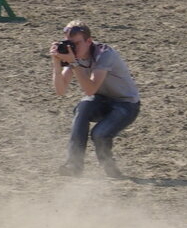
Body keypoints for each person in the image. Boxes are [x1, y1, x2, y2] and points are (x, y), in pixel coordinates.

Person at [50, 20, 140, 178]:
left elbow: (90, 89)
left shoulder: (104, 54)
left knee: (99, 134)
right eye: (69, 44)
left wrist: (74, 63)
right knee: (83, 107)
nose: (72, 48)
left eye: (76, 43)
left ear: (89, 41)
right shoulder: (73, 55)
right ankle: (74, 164)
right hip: (101, 100)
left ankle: (110, 169)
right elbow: (60, 90)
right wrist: (57, 63)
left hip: (126, 104)